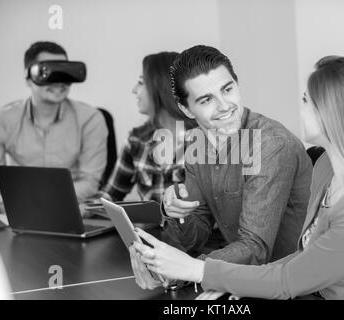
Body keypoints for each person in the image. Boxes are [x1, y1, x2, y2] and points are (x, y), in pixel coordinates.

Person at [132, 56, 344, 299]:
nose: (299, 109)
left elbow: (285, 276)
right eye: (206, 99)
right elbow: (307, 256)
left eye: (306, 100)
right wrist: (236, 280)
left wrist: (196, 270)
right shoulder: (327, 165)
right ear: (187, 109)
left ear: (333, 114)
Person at [130, 45, 312, 290]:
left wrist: (183, 270)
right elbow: (197, 234)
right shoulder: (199, 142)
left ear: (237, 84)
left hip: (287, 285)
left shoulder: (271, 145)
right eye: (206, 100)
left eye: (227, 89)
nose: (224, 105)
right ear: (186, 109)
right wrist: (179, 215)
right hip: (240, 279)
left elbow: (255, 248)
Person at [0, 41, 108, 215]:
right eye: (48, 72)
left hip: (72, 209)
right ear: (28, 78)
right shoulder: (3, 121)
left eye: (63, 72)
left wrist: (41, 201)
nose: (59, 83)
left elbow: (90, 181)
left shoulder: (90, 119)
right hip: (22, 212)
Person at [101, 52, 196, 203]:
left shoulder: (207, 140)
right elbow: (110, 196)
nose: (134, 90)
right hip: (150, 227)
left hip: (193, 227)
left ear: (160, 86)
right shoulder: (136, 141)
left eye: (141, 82)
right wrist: (86, 208)